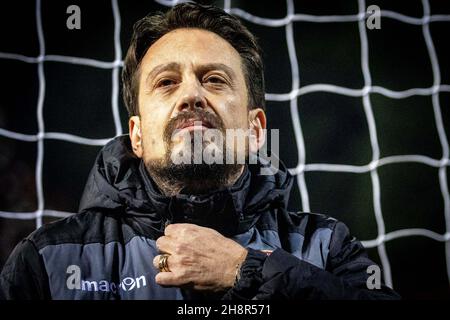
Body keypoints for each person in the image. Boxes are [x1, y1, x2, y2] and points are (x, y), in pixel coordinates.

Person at [0, 2, 399, 300]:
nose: (191, 95)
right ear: (136, 136)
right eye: (167, 82)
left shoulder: (324, 246)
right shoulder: (48, 261)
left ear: (256, 130)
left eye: (213, 79)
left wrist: (248, 271)